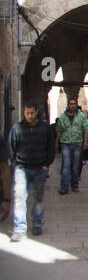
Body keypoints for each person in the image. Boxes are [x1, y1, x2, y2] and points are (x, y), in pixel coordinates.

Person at [8, 100, 57, 241]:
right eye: (27, 113)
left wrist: (47, 164)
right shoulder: (17, 128)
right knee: (19, 198)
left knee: (38, 197)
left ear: (36, 113)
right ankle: (19, 228)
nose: (29, 116)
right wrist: (14, 165)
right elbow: (11, 147)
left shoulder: (45, 128)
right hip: (22, 168)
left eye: (32, 113)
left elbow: (50, 147)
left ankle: (36, 223)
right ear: (24, 113)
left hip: (39, 168)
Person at [53, 97, 88, 194]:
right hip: (65, 143)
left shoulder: (81, 116)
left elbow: (86, 129)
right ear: (68, 105)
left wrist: (86, 141)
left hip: (77, 142)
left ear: (76, 105)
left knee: (76, 165)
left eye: (74, 104)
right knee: (66, 165)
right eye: (71, 104)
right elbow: (59, 131)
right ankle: (64, 186)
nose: (73, 106)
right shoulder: (62, 117)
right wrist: (56, 143)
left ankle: (75, 185)